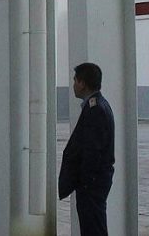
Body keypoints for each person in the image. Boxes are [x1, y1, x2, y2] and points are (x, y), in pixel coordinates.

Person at [59, 62, 115, 236]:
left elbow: (93, 150)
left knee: (93, 229)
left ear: (82, 83)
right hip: (92, 182)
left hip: (92, 184)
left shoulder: (95, 109)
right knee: (92, 227)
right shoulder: (96, 105)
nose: (73, 85)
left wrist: (85, 181)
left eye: (75, 80)